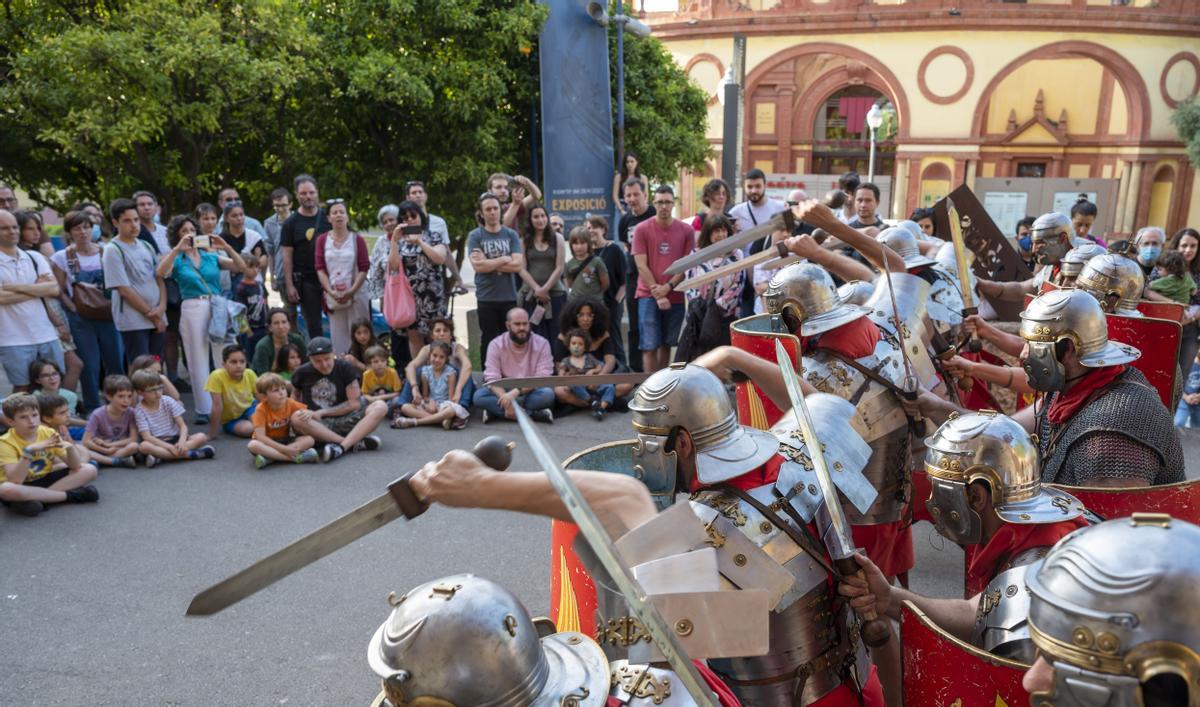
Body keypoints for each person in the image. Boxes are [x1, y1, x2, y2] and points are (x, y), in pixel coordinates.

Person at [409, 364, 889, 706]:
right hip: (851, 680)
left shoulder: (714, 533)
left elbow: (622, 502)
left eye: (647, 439)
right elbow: (818, 405)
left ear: (682, 442)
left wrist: (481, 486)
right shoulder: (797, 458)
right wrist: (732, 358)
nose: (641, 452)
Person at [838, 411, 1089, 669]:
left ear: (975, 497)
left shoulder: (1034, 574)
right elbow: (978, 612)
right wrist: (889, 596)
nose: (931, 500)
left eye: (939, 487)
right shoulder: (1040, 531)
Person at [914, 289, 1185, 487]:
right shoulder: (1071, 387)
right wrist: (936, 406)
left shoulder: (1115, 426)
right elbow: (1004, 433)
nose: (1022, 356)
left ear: (1068, 348)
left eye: (1032, 346)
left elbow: (1109, 539)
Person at [156, 216, 247, 425]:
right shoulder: (176, 259)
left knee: (224, 353)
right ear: (177, 236)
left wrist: (226, 246)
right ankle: (204, 408)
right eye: (183, 231)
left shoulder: (210, 256)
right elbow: (160, 272)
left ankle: (230, 403)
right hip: (192, 305)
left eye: (192, 230)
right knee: (197, 358)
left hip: (216, 305)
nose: (189, 234)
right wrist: (178, 249)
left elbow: (240, 266)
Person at [52, 210, 124, 413]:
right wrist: (71, 306)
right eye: (77, 228)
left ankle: (118, 404)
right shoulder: (61, 257)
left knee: (115, 361)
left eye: (86, 227)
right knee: (89, 365)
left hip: (108, 314)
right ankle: (93, 407)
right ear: (69, 232)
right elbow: (57, 288)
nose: (83, 232)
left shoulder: (106, 250)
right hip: (81, 318)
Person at [288, 336, 387, 462]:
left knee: (380, 406)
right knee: (296, 417)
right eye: (317, 361)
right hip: (319, 426)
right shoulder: (301, 372)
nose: (324, 365)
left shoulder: (346, 368)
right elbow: (294, 398)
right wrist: (303, 411)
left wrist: (322, 412)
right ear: (310, 359)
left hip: (346, 418)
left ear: (333, 353)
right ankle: (353, 442)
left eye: (327, 359)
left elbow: (354, 404)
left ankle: (342, 447)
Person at [0, 393, 99, 517]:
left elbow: (75, 466)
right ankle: (72, 496)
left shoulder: (47, 432)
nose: (31, 421)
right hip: (22, 485)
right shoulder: (4, 442)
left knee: (89, 469)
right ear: (11, 421)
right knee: (6, 489)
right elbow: (16, 480)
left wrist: (69, 448)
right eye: (23, 417)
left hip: (43, 478)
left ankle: (39, 499)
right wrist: (29, 451)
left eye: (34, 415)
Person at [631, 185, 696, 373]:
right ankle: (648, 387)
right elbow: (640, 264)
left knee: (667, 343)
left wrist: (667, 288)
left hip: (674, 294)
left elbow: (687, 264)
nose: (664, 206)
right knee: (649, 345)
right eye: (660, 202)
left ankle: (661, 386)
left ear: (673, 203)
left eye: (668, 202)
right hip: (647, 295)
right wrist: (657, 292)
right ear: (654, 203)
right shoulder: (642, 229)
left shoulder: (686, 230)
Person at [0, 208, 64, 393]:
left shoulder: (35, 257)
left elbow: (53, 289)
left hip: (46, 334)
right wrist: (37, 289)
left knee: (52, 386)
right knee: (23, 389)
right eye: (4, 228)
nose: (12, 231)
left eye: (14, 227)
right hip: (13, 339)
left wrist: (16, 287)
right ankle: (16, 423)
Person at [102, 198, 166, 365]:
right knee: (141, 366)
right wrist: (152, 315)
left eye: (136, 220)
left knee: (157, 362)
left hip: (157, 315)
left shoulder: (146, 245)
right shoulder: (112, 250)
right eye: (127, 221)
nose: (134, 225)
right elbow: (124, 289)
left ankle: (157, 392)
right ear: (115, 223)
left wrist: (161, 308)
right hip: (134, 321)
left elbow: (159, 277)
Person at [676, 214, 744, 361]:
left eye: (724, 230)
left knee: (723, 360)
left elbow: (738, 285)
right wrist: (699, 304)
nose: (721, 234)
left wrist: (717, 307)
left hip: (725, 316)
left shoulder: (737, 254)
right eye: (716, 231)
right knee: (696, 359)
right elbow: (690, 283)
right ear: (708, 233)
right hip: (698, 315)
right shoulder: (696, 255)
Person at [385, 200, 447, 359]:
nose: (410, 220)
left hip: (432, 295)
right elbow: (393, 266)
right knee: (414, 337)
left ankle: (438, 372)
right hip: (410, 296)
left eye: (413, 215)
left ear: (421, 216)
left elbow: (440, 258)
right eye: (405, 217)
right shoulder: (399, 241)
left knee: (437, 336)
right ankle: (421, 376)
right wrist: (394, 241)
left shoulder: (433, 235)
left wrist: (419, 241)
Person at [473, 307, 554, 424]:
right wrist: (506, 399)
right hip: (504, 390)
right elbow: (492, 378)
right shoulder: (496, 344)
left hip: (530, 390)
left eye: (525, 324)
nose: (522, 328)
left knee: (548, 394)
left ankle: (496, 412)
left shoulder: (542, 343)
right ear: (508, 325)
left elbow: (543, 377)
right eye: (517, 324)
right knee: (479, 397)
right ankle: (532, 414)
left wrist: (517, 392)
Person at [467, 192, 524, 354]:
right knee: (489, 340)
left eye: (495, 208)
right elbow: (479, 267)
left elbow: (517, 266)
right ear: (482, 213)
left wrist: (489, 261)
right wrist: (504, 258)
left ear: (500, 210)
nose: (492, 212)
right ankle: (489, 376)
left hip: (509, 297)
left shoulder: (511, 234)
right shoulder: (475, 236)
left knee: (511, 339)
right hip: (487, 297)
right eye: (488, 209)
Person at [729, 169, 788, 317]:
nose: (753, 190)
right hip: (746, 269)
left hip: (773, 270)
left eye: (757, 186)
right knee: (749, 316)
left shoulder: (780, 208)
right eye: (749, 187)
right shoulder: (736, 213)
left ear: (765, 186)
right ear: (744, 187)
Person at [313, 199, 369, 353]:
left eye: (342, 212)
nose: (338, 216)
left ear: (347, 217)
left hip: (356, 294)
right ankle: (342, 367)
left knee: (361, 335)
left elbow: (364, 267)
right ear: (328, 218)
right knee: (338, 336)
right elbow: (320, 268)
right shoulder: (322, 240)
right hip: (334, 295)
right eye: (334, 212)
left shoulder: (357, 239)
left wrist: (351, 291)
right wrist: (331, 292)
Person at [281, 174, 333, 340]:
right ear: (296, 195)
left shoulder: (329, 218)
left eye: (311, 192)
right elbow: (287, 256)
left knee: (338, 321)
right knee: (314, 325)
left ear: (317, 193)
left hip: (333, 278)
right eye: (303, 193)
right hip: (306, 281)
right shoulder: (291, 223)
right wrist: (289, 285)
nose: (308, 196)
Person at [977, 212, 1074, 300]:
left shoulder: (1082, 261)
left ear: (1062, 239)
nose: (1033, 249)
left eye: (1040, 242)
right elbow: (1021, 289)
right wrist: (981, 283)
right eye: (1033, 243)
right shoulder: (1052, 266)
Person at [553, 297, 634, 401]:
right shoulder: (563, 336)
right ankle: (593, 403)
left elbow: (610, 361)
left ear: (596, 317)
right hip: (575, 382)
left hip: (600, 378)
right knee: (560, 391)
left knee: (627, 385)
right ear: (573, 317)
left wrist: (598, 378)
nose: (585, 319)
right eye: (581, 315)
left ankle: (589, 401)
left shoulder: (603, 335)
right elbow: (559, 365)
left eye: (590, 315)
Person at [131, 369, 213, 467]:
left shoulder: (168, 401)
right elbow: (147, 437)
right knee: (144, 446)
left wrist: (182, 442)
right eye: (152, 390)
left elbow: (182, 426)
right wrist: (169, 447)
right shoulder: (139, 410)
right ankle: (191, 454)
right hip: (158, 443)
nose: (158, 393)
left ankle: (161, 457)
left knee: (201, 437)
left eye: (160, 388)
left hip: (176, 439)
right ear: (140, 393)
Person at [617, 179, 656, 370]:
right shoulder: (624, 221)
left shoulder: (654, 214)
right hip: (633, 277)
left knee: (651, 325)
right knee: (634, 326)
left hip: (655, 278)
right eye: (628, 195)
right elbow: (627, 246)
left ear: (644, 194)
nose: (632, 199)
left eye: (635, 194)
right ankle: (634, 370)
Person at [405, 180, 466, 296]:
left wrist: (458, 279)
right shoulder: (403, 222)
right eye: (414, 193)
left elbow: (447, 253)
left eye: (420, 192)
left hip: (433, 282)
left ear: (426, 196)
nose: (418, 195)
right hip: (408, 284)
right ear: (408, 197)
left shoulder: (438, 222)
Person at [517, 203, 567, 341]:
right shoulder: (524, 241)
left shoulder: (558, 238)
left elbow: (560, 267)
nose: (540, 220)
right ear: (530, 220)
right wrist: (537, 289)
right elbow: (521, 268)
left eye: (543, 216)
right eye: (536, 217)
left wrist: (545, 289)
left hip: (554, 294)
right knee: (533, 337)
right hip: (531, 295)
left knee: (557, 336)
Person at [247, 372, 318, 469]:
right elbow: (261, 437)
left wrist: (311, 412)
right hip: (267, 442)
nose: (282, 392)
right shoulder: (260, 410)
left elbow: (306, 411)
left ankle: (271, 458)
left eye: (283, 388)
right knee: (253, 445)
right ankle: (294, 458)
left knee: (310, 440)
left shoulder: (289, 402)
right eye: (275, 390)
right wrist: (285, 449)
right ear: (264, 397)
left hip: (285, 439)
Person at [402, 317, 474, 413]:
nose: (442, 334)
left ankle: (461, 408)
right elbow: (410, 366)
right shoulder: (427, 349)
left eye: (445, 331)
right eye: (437, 331)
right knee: (418, 371)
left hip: (457, 388)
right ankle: (402, 403)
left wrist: (458, 390)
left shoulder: (457, 348)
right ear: (432, 335)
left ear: (450, 334)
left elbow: (467, 366)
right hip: (434, 391)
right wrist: (414, 387)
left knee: (464, 374)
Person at [394, 341, 468, 430]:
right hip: (430, 403)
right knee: (405, 407)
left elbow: (451, 398)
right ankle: (440, 420)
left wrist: (437, 407)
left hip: (443, 404)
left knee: (450, 410)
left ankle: (414, 422)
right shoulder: (425, 371)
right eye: (434, 355)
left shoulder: (450, 373)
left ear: (446, 359)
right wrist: (430, 402)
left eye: (441, 357)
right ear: (429, 356)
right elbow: (425, 395)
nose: (437, 360)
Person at [587, 214, 628, 367]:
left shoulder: (614, 250)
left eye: (594, 227)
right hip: (593, 305)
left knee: (614, 336)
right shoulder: (587, 253)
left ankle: (622, 368)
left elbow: (624, 280)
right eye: (588, 228)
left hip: (611, 303)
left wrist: (617, 302)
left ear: (603, 229)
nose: (591, 231)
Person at [555, 328, 614, 420]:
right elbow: (561, 374)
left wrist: (593, 371)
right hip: (580, 389)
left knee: (610, 387)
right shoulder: (566, 361)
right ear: (568, 345)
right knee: (573, 383)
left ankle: (601, 408)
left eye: (580, 344)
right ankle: (592, 402)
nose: (576, 346)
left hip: (593, 384)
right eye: (573, 343)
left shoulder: (589, 357)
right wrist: (564, 374)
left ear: (585, 347)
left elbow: (600, 366)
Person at [82, 375, 140, 468]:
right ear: (109, 396)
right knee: (83, 449)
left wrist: (110, 445)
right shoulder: (97, 414)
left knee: (134, 446)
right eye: (121, 396)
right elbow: (86, 441)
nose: (126, 401)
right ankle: (112, 459)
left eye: (129, 396)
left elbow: (133, 439)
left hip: (117, 446)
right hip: (100, 447)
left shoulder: (131, 412)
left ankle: (102, 460)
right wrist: (105, 449)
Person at [205, 344, 258, 440]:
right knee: (247, 429)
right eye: (233, 362)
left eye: (242, 362)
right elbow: (217, 406)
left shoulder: (249, 373)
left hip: (249, 408)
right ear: (224, 364)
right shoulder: (216, 376)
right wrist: (212, 433)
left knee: (260, 425)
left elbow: (260, 397)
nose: (239, 366)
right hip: (230, 419)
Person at [217, 199, 268, 293]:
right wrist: (253, 259)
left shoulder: (253, 236)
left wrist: (248, 265)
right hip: (227, 285)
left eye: (241, 214)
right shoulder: (221, 239)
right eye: (234, 216)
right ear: (226, 218)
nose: (239, 218)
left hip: (252, 283)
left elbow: (264, 260)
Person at [29, 358, 84, 432]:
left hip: (65, 428)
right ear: (37, 380)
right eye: (46, 375)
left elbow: (67, 419)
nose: (52, 378)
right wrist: (89, 423)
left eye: (55, 374)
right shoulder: (34, 398)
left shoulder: (70, 395)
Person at [252, 307, 307, 375]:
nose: (281, 326)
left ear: (289, 324)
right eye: (276, 323)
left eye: (284, 322)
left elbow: (307, 363)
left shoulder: (297, 340)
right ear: (270, 327)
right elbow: (263, 375)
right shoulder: (263, 346)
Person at [262, 187, 292, 308]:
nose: (280, 209)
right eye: (276, 206)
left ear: (290, 204)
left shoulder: (298, 220)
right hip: (281, 274)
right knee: (289, 312)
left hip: (301, 272)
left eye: (283, 205)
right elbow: (270, 253)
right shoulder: (269, 223)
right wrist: (273, 278)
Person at [563, 226, 609, 303]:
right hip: (575, 303)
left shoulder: (597, 261)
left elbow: (605, 284)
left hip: (595, 303)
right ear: (571, 245)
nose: (579, 247)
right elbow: (569, 284)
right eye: (575, 243)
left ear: (589, 243)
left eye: (582, 243)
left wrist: (595, 294)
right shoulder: (569, 264)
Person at [234, 258, 268, 353]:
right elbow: (239, 313)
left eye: (257, 267)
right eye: (251, 267)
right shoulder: (241, 288)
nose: (255, 270)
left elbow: (266, 305)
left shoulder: (260, 285)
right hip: (250, 329)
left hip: (263, 327)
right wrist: (247, 332)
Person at [360, 345, 402, 409]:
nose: (380, 364)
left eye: (383, 361)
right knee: (362, 399)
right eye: (376, 361)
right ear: (369, 364)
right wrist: (371, 398)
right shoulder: (366, 374)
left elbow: (397, 393)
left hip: (388, 400)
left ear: (386, 361)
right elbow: (364, 393)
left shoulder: (392, 372)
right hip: (374, 400)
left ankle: (387, 412)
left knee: (397, 400)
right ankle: (371, 412)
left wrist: (380, 398)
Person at [132, 190, 170, 255]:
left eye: (150, 204)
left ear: (156, 207)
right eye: (142, 205)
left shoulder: (166, 231)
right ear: (134, 208)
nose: (147, 208)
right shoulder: (132, 232)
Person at [612, 151, 648, 216]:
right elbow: (615, 196)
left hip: (638, 206)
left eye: (632, 161)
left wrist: (642, 208)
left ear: (636, 162)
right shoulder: (618, 177)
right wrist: (621, 210)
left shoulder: (643, 178)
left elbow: (646, 195)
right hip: (622, 206)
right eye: (627, 162)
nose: (629, 164)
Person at [1175, 351, 1200, 428]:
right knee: (1178, 423)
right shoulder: (1188, 360)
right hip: (1184, 397)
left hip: (1197, 400)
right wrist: (1186, 397)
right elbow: (1177, 382)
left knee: (1197, 426)